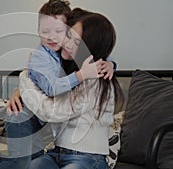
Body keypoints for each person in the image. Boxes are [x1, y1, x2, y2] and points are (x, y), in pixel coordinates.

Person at [18, 8, 124, 169]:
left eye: (77, 43)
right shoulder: (67, 72)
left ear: (91, 48)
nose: (67, 43)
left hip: (89, 158)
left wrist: (25, 78)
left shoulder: (96, 78)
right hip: (57, 153)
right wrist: (19, 90)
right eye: (68, 36)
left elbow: (52, 112)